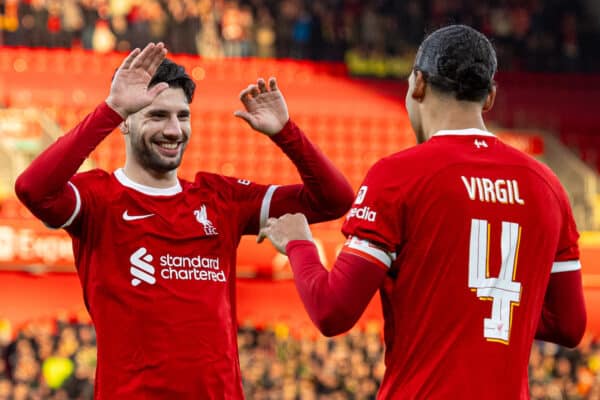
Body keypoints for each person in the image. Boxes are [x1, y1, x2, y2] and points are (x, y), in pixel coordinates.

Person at [259, 25, 587, 399]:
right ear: (490, 97)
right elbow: (570, 326)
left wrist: (300, 244)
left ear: (417, 84)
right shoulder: (547, 185)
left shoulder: (398, 176)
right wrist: (479, 310)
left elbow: (332, 312)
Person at [14, 42, 354, 399]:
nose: (174, 130)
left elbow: (334, 200)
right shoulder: (98, 197)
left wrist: (287, 134)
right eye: (157, 115)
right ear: (125, 124)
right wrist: (110, 110)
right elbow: (34, 189)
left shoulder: (221, 199)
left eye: (183, 115)